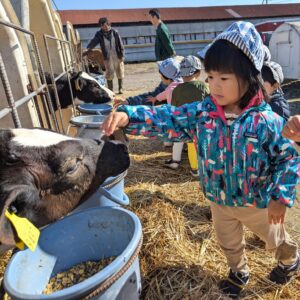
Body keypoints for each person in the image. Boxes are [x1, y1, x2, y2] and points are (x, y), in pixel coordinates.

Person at [102, 21, 300, 299]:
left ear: (249, 77)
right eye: (211, 77)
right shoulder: (202, 114)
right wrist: (130, 116)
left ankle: (289, 262)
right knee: (228, 241)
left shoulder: (265, 121)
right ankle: (238, 270)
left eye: (224, 78)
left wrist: (281, 196)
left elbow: (289, 158)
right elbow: (167, 117)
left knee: (276, 239)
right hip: (218, 199)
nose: (215, 86)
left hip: (259, 202)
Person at [165, 55, 209, 176]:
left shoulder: (176, 90)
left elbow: (173, 108)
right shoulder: (204, 87)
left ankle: (175, 161)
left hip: (181, 122)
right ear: (198, 72)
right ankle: (196, 169)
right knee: (194, 144)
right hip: (198, 123)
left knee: (179, 141)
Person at [85, 17, 125, 94]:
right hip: (107, 56)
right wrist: (88, 48)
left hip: (117, 54)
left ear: (108, 24)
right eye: (102, 26)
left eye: (105, 25)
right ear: (100, 26)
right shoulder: (99, 34)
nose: (105, 27)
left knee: (120, 71)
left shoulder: (115, 32)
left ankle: (120, 88)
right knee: (109, 73)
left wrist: (122, 55)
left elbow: (120, 44)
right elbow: (94, 42)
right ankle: (110, 90)